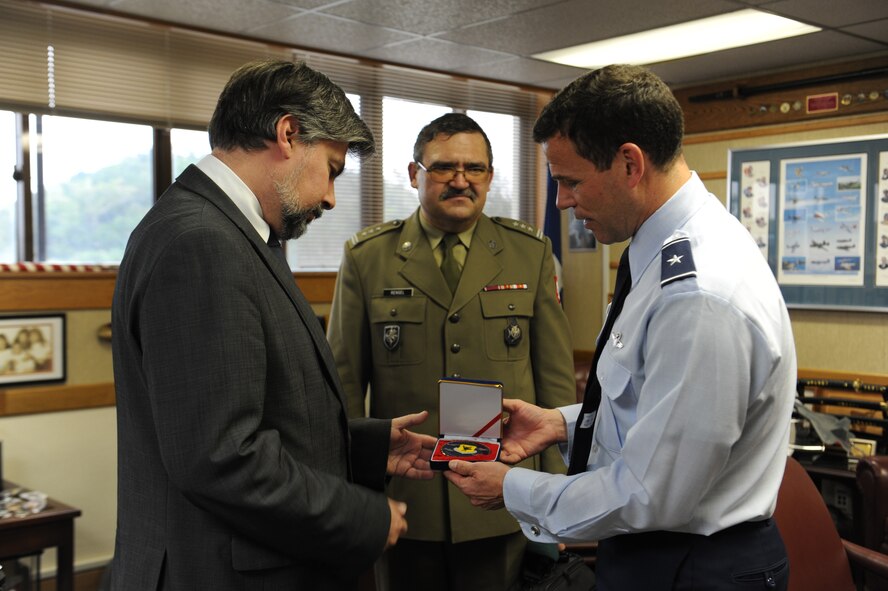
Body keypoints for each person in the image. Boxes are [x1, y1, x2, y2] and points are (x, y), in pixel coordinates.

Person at [445, 65, 797, 590]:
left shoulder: (696, 296)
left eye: (570, 181)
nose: (561, 200)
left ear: (630, 164)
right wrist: (562, 424)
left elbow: (650, 491)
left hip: (694, 565)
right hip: (660, 552)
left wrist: (514, 487)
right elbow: (654, 405)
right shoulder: (663, 250)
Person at [111, 59, 437, 590]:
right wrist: (363, 516)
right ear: (287, 134)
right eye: (331, 170)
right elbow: (220, 457)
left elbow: (253, 412)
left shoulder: (227, 233)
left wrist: (364, 448)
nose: (332, 197)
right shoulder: (203, 243)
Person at [327, 112, 576, 591]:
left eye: (475, 169)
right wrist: (354, 498)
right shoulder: (368, 257)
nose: (461, 180)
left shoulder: (529, 252)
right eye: (444, 167)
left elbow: (556, 387)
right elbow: (344, 387)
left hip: (504, 495)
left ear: (490, 176)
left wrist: (556, 498)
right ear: (415, 174)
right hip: (406, 504)